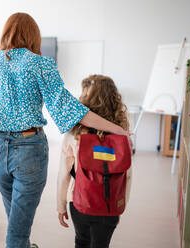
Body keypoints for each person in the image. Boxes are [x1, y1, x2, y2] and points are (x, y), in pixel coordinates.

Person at [0, 13, 129, 248]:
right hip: (29, 151)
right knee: (17, 233)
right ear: (33, 36)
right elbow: (73, 111)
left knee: (17, 220)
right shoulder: (40, 65)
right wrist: (118, 129)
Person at [57, 75, 132, 248]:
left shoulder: (73, 135)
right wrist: (119, 205)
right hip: (110, 203)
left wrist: (60, 205)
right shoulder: (122, 136)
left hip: (79, 202)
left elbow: (63, 175)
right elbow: (127, 176)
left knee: (81, 241)